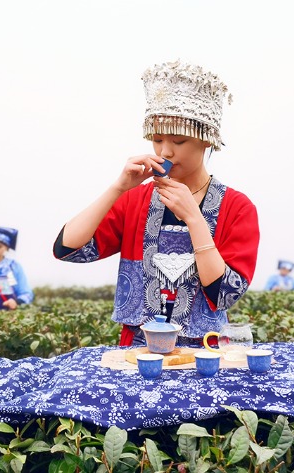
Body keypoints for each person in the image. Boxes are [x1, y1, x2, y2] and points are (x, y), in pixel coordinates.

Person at [53, 60, 260, 346]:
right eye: (158, 139)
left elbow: (225, 294)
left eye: (178, 140)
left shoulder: (237, 207)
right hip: (138, 352)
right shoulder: (134, 199)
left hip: (206, 353)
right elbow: (67, 249)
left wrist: (195, 219)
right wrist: (118, 188)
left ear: (207, 141)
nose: (165, 151)